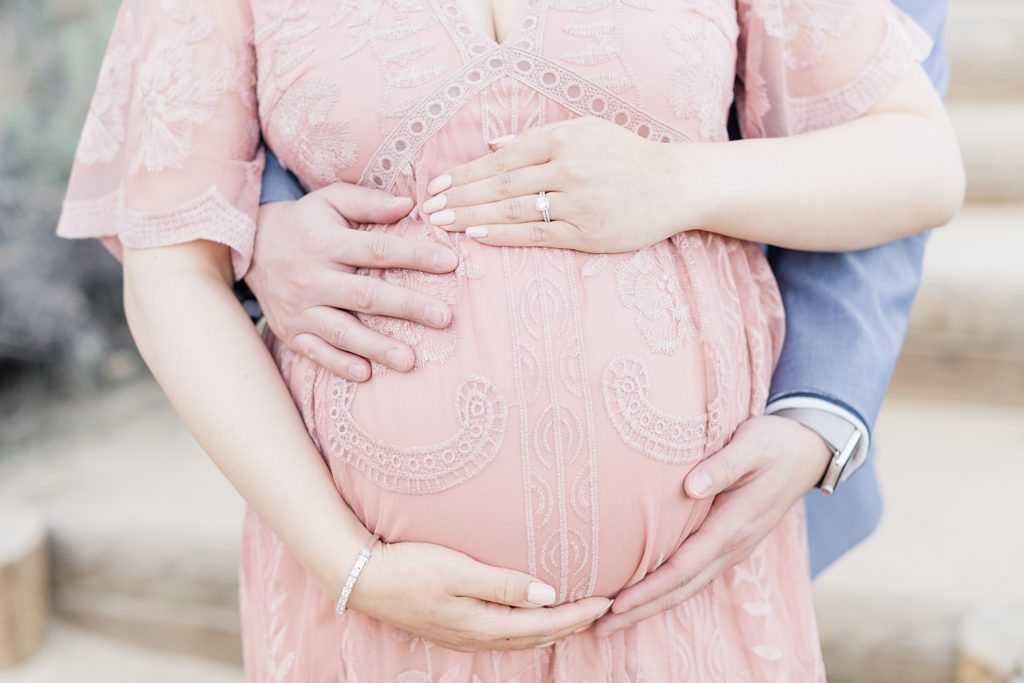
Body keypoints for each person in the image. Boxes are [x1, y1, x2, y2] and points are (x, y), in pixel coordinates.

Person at [56, 0, 963, 680]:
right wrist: (351, 564)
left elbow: (921, 159)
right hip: (382, 613)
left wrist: (681, 179)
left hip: (691, 606)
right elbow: (171, 269)